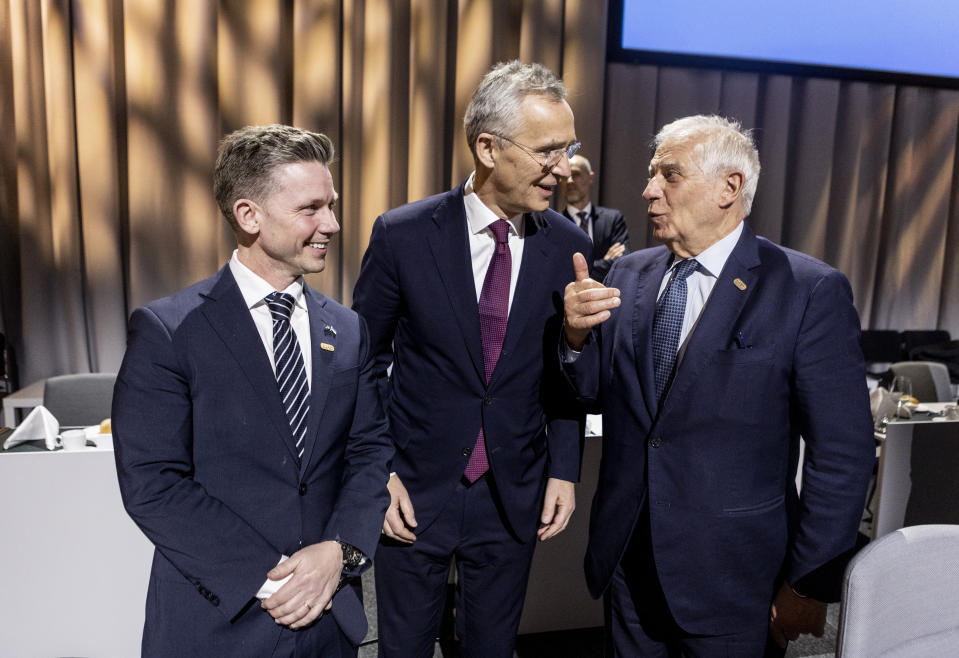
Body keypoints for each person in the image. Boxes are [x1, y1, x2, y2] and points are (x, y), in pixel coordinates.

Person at [562, 115, 874, 656]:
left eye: (669, 175)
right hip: (628, 570)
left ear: (730, 187)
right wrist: (574, 337)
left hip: (736, 584)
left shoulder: (807, 290)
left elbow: (841, 455)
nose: (648, 190)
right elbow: (591, 391)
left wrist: (808, 583)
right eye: (651, 174)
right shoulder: (626, 275)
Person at [113, 124, 392, 657]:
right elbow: (153, 482)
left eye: (331, 205)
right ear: (249, 216)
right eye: (311, 208)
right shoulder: (169, 331)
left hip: (327, 622)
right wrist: (273, 582)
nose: (332, 223)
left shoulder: (348, 328)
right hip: (220, 622)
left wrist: (339, 552)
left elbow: (368, 451)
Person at [352, 60, 592, 657]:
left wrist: (564, 466)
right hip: (410, 489)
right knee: (402, 648)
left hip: (513, 492)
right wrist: (375, 473)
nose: (562, 169)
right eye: (547, 151)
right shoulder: (402, 234)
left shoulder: (570, 247)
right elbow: (359, 369)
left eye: (568, 149)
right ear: (488, 147)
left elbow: (567, 373)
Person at [561, 153, 630, 282]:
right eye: (565, 176)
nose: (569, 181)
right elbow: (559, 269)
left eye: (575, 174)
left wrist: (578, 271)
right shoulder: (554, 225)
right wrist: (605, 262)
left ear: (590, 177)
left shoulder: (613, 220)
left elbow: (622, 263)